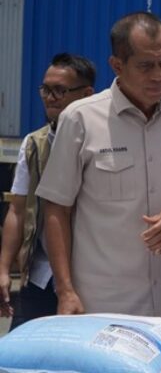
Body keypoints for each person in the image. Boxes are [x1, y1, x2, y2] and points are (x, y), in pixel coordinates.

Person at [35, 12, 161, 325]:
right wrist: (65, 291)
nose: (159, 75)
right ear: (117, 65)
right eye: (146, 65)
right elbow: (56, 209)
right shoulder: (80, 119)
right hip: (105, 307)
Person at [0, 53, 96, 329]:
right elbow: (18, 210)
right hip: (40, 277)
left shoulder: (101, 143)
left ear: (87, 94)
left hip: (91, 277)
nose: (50, 98)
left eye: (60, 90)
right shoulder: (34, 144)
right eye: (46, 89)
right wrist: (4, 269)